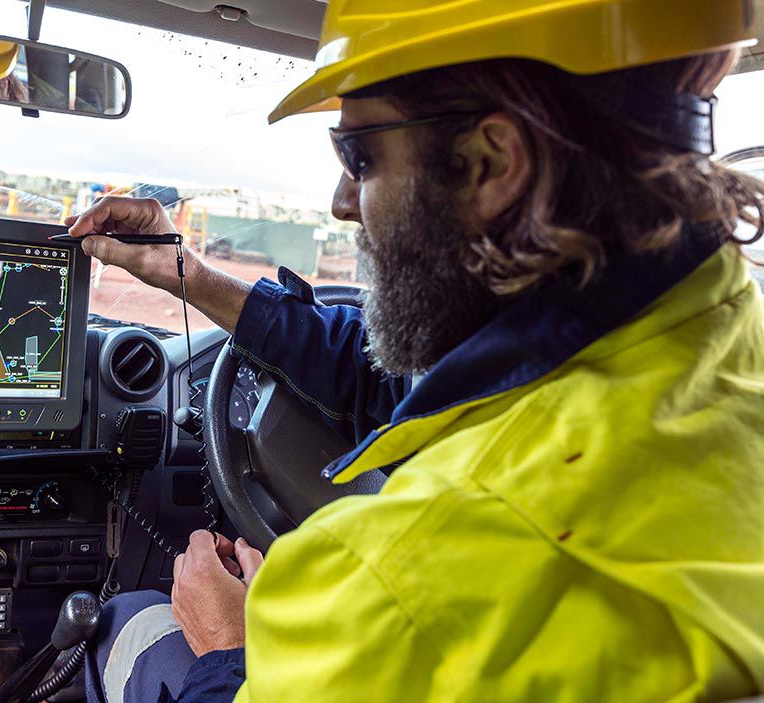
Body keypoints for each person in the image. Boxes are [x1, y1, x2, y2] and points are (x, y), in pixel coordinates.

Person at [72, 0, 764, 700]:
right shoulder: (718, 344)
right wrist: (181, 272)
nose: (343, 199)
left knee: (129, 620)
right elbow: (403, 389)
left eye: (359, 155)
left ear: (492, 162)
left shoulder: (398, 585)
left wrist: (230, 649)